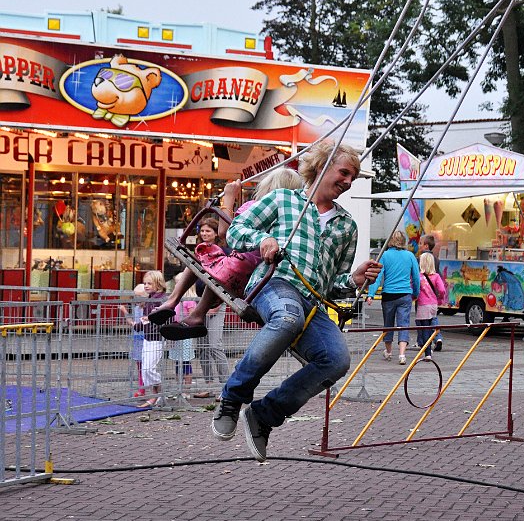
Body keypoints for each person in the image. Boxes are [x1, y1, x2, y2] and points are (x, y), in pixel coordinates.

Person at [211, 141, 382, 462]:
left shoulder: (347, 226)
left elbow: (333, 286)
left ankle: (264, 415)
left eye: (353, 177)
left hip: (311, 301)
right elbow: (236, 232)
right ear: (322, 165)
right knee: (287, 316)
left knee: (336, 359)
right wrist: (264, 239)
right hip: (274, 284)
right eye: (344, 172)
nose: (348, 181)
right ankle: (232, 399)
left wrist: (355, 280)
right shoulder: (284, 200)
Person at [150, 168, 304, 339]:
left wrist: (229, 198)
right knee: (216, 263)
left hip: (240, 269)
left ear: (268, 186)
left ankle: (174, 302)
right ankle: (194, 313)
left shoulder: (256, 207)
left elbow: (225, 233)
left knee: (206, 255)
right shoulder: (293, 220)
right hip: (258, 279)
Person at [367, 231, 421, 365]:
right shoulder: (410, 256)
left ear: (391, 241)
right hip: (405, 295)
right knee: (404, 324)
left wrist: (371, 294)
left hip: (388, 295)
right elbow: (415, 277)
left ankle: (389, 352)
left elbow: (377, 276)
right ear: (404, 241)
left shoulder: (385, 255)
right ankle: (402, 354)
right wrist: (416, 293)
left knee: (388, 324)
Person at [133, 270, 169, 407]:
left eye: (149, 283)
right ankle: (156, 394)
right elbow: (147, 319)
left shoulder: (161, 299)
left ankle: (158, 390)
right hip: (147, 337)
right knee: (145, 369)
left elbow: (167, 316)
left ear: (158, 284)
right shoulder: (150, 299)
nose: (146, 286)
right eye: (145, 283)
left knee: (149, 368)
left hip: (157, 338)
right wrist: (140, 325)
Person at [119, 283, 148, 397]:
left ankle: (144, 388)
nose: (136, 299)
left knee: (145, 365)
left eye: (138, 296)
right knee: (139, 365)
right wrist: (126, 312)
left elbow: (135, 324)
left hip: (144, 339)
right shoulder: (137, 308)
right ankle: (142, 388)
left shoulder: (146, 309)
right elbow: (133, 323)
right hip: (137, 339)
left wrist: (125, 313)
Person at [415, 252, 446, 360]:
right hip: (433, 304)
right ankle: (430, 349)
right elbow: (442, 290)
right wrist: (440, 299)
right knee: (430, 326)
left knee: (424, 329)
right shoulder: (436, 276)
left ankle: (427, 353)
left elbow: (415, 290)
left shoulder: (418, 277)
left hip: (423, 305)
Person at [168, 295, 197, 397]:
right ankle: (179, 388)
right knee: (177, 362)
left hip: (185, 334)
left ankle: (186, 390)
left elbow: (192, 317)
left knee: (185, 362)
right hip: (176, 333)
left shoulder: (189, 301)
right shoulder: (176, 300)